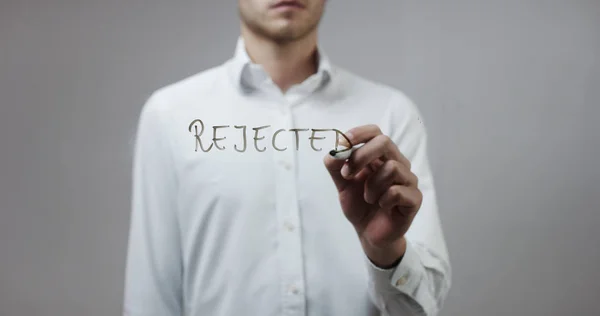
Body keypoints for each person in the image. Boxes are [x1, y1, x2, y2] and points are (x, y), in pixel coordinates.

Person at [123, 0, 451, 315]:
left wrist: (385, 251)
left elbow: (421, 311)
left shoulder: (390, 115)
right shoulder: (169, 115)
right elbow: (150, 300)